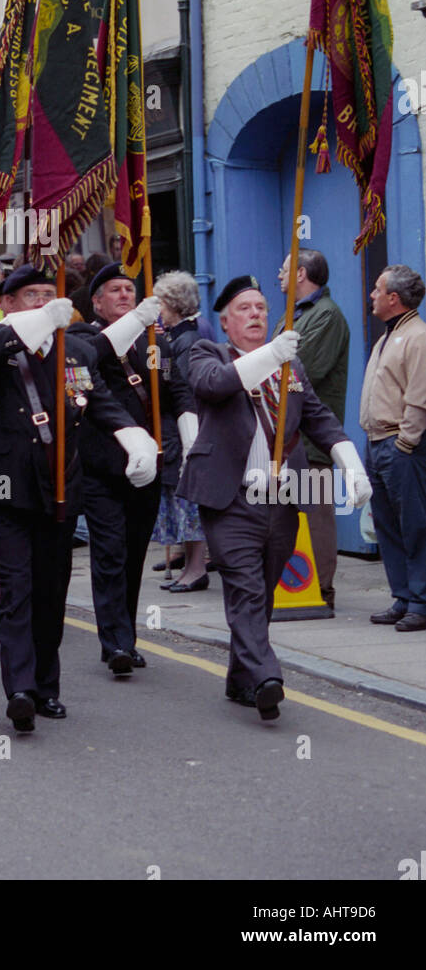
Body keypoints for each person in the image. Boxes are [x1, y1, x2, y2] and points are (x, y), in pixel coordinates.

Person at [0, 264, 157, 731]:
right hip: (6, 489)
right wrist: (36, 320)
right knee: (16, 589)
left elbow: (97, 402)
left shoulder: (74, 352)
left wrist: (135, 437)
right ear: (8, 302)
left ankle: (47, 686)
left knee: (51, 592)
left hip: (59, 491)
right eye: (30, 295)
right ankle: (21, 689)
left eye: (49, 294)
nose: (42, 302)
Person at [179, 275, 370, 722]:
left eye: (263, 308)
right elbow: (216, 385)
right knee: (244, 589)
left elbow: (320, 419)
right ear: (225, 322)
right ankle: (268, 678)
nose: (256, 315)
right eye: (245, 309)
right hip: (230, 498)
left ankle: (240, 678)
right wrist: (271, 355)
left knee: (261, 592)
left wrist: (352, 466)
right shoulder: (208, 353)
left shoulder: (292, 366)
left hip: (283, 497)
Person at [70, 263, 196, 673]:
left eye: (129, 289)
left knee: (134, 554)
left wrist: (189, 431)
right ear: (96, 301)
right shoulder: (83, 338)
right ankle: (115, 643)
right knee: (109, 552)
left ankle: (126, 633)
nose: (125, 295)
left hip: (149, 468)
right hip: (102, 466)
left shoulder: (154, 340)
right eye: (114, 290)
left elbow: (176, 389)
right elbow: (90, 375)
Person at [274, 249, 349, 611]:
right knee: (288, 513)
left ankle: (321, 590)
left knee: (316, 513)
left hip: (313, 440)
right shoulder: (297, 314)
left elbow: (303, 371)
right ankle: (293, 589)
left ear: (302, 274)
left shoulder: (327, 317)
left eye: (285, 270)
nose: (279, 275)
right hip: (286, 437)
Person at [360, 265, 426, 632]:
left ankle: (420, 600)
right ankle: (403, 596)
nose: (372, 294)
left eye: (376, 288)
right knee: (388, 526)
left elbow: (419, 396)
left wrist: (406, 442)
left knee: (414, 526)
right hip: (378, 442)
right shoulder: (390, 335)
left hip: (400, 445)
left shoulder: (417, 337)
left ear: (393, 299)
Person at [152, 270, 209, 590]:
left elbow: (183, 390)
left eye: (161, 301)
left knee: (187, 504)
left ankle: (197, 567)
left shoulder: (187, 341)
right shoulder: (180, 337)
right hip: (174, 432)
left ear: (173, 304)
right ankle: (190, 565)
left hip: (184, 432)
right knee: (179, 501)